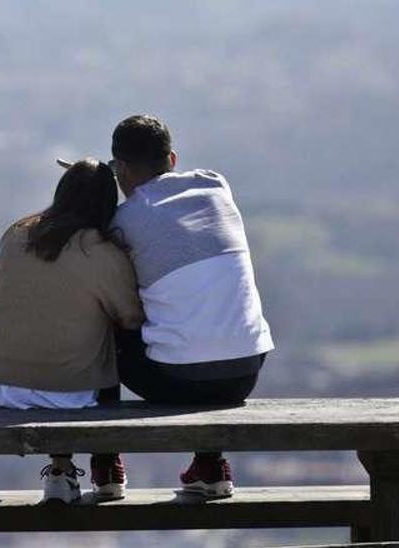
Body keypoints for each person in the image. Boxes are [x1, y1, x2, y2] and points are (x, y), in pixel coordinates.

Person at [107, 114, 275, 498]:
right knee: (200, 312)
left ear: (121, 169)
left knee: (103, 313)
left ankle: (104, 467)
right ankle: (210, 464)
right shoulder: (216, 187)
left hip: (175, 381)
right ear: (172, 159)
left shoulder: (124, 221)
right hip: (245, 372)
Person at [0, 158, 144, 504]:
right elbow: (131, 318)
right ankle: (106, 465)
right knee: (108, 345)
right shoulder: (103, 253)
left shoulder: (16, 235)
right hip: (69, 392)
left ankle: (61, 470)